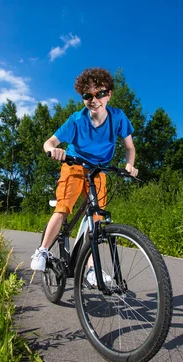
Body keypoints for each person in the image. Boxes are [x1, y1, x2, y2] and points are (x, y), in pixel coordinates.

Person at [30, 67, 138, 285]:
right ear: (83, 97)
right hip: (74, 165)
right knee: (64, 207)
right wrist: (53, 150)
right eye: (88, 95)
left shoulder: (118, 118)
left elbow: (130, 148)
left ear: (109, 94)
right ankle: (42, 251)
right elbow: (49, 142)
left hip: (99, 170)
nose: (94, 99)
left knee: (96, 220)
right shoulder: (77, 120)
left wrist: (129, 165)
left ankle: (90, 269)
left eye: (100, 93)